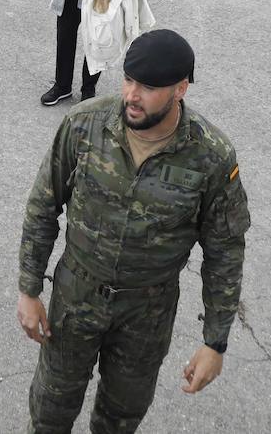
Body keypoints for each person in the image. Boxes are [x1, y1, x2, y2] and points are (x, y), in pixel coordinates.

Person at [19, 29, 251, 434]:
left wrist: (215, 342)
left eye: (148, 87)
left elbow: (225, 252)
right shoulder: (83, 126)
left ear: (181, 88)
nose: (132, 95)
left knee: (120, 419)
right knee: (50, 411)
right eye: (128, 80)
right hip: (76, 296)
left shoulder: (211, 157)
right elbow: (43, 205)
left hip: (148, 312)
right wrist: (28, 289)